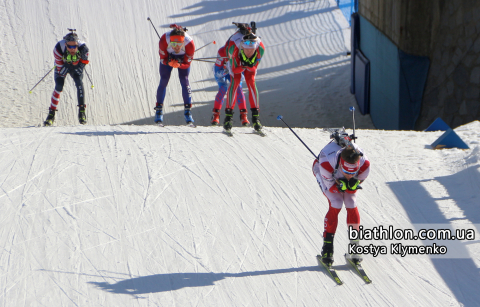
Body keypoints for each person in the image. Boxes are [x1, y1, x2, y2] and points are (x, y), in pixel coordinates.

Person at [312, 131, 370, 266]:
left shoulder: (365, 165)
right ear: (342, 163)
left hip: (338, 172)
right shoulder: (327, 163)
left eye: (353, 172)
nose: (350, 176)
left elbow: (355, 184)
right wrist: (340, 186)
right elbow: (330, 187)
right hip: (324, 170)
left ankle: (355, 248)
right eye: (347, 172)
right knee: (336, 202)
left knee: (351, 201)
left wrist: (351, 184)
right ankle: (327, 250)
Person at [223, 24, 265, 132]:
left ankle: (256, 118)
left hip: (243, 60)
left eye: (252, 51)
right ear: (242, 47)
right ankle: (228, 117)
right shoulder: (234, 48)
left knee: (251, 81)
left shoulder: (260, 48)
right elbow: (234, 70)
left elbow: (253, 69)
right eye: (247, 51)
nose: (249, 53)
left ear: (255, 48)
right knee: (235, 81)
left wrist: (249, 66)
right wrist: (242, 66)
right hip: (234, 57)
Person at [44, 29, 89, 126]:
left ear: (78, 44)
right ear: (66, 45)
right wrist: (68, 66)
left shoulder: (84, 49)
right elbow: (60, 69)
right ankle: (51, 114)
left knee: (79, 82)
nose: (72, 48)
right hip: (62, 65)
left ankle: (82, 112)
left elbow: (84, 62)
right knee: (59, 85)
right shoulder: (58, 49)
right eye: (70, 46)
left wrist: (78, 66)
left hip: (76, 65)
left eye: (75, 46)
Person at [155, 24, 195, 125]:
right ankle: (159, 110)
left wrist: (179, 64)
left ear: (184, 41)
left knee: (184, 80)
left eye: (179, 44)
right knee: (164, 79)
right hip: (169, 56)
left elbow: (187, 63)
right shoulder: (164, 40)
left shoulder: (189, 44)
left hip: (182, 58)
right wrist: (168, 62)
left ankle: (188, 111)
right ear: (170, 41)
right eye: (173, 44)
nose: (176, 47)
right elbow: (162, 59)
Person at [211, 46, 249, 126]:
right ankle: (216, 115)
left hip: (235, 72)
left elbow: (242, 77)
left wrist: (235, 70)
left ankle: (243, 115)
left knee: (238, 88)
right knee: (223, 88)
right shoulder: (222, 52)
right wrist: (226, 71)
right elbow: (217, 74)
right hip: (222, 71)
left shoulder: (241, 52)